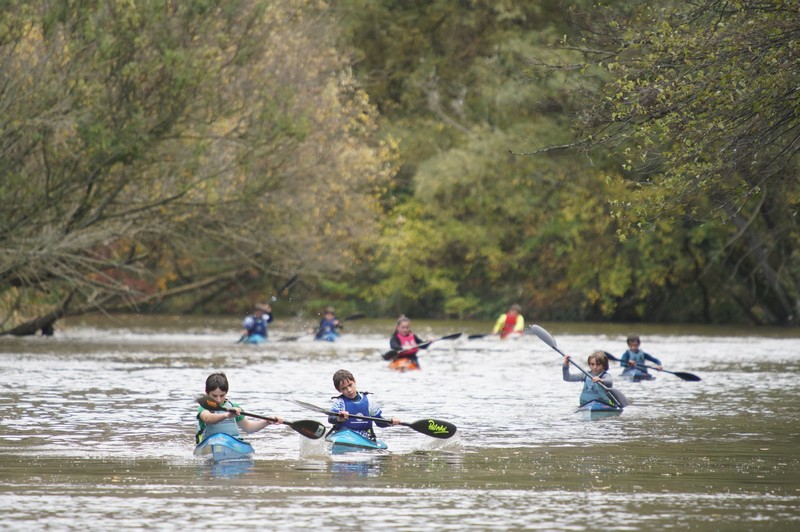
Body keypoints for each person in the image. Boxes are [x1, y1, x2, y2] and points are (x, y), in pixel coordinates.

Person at [195, 372, 282, 443]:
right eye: (214, 396)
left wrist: (267, 421)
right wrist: (227, 415)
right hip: (209, 443)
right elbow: (207, 418)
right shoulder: (204, 407)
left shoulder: (234, 407)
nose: (218, 399)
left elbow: (249, 428)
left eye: (222, 395)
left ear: (226, 393)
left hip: (231, 443)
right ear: (207, 393)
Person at [328, 369, 399, 441]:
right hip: (344, 436)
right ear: (339, 390)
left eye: (350, 385)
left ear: (354, 381)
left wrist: (390, 422)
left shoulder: (369, 401)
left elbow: (379, 422)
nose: (349, 390)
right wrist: (339, 418)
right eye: (344, 388)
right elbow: (330, 418)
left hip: (365, 438)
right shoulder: (339, 402)